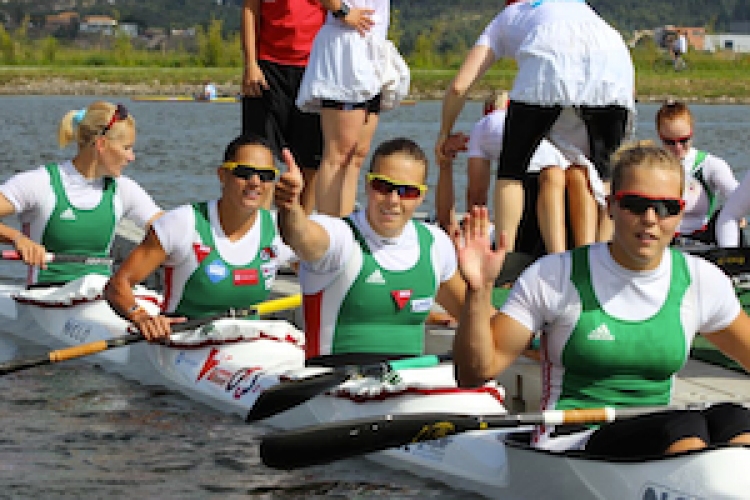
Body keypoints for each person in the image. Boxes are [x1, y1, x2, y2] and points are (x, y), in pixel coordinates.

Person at [453, 142, 750, 457]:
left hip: (659, 433)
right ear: (610, 206)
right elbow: (474, 372)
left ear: (680, 213)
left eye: (666, 208)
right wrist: (479, 289)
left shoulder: (702, 280)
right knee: (683, 428)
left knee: (734, 418)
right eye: (635, 204)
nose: (650, 218)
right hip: (570, 440)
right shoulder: (555, 275)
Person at [436, 0, 634, 252]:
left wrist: (444, 132)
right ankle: (603, 254)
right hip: (615, 62)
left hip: (546, 58)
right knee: (605, 173)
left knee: (512, 171)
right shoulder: (581, 8)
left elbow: (459, 86)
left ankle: (505, 256)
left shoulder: (508, 15)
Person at [275, 137, 466, 364]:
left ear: (421, 197)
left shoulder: (436, 244)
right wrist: (290, 207)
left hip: (406, 384)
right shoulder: (340, 236)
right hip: (335, 385)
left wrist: (483, 283)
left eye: (407, 191)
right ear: (367, 184)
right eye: (383, 187)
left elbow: (474, 315)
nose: (393, 200)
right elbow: (299, 235)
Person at [105, 134, 295, 341]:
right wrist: (141, 317)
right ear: (222, 175)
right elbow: (117, 285)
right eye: (244, 172)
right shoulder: (182, 223)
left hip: (247, 342)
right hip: (184, 340)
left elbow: (323, 274)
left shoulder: (281, 229)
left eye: (266, 175)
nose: (255, 182)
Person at [0, 101, 161, 286]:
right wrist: (17, 238)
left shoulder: (123, 189)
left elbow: (168, 227)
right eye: (126, 148)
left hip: (99, 295)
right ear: (101, 144)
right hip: (47, 296)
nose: (131, 157)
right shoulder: (39, 183)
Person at [438, 92, 599, 254]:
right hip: (570, 180)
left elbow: (477, 193)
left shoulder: (483, 125)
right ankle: (583, 254)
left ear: (487, 109)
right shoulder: (538, 119)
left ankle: (514, 254)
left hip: (531, 187)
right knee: (562, 176)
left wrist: (476, 226)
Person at [296, 0, 410, 217]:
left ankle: (344, 225)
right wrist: (343, 11)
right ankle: (329, 230)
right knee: (339, 153)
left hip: (372, 49)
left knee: (357, 154)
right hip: (345, 51)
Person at [241, 0, 326, 214]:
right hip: (268, 67)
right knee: (259, 152)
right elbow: (250, 10)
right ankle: (259, 227)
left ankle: (302, 226)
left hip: (314, 67)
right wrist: (251, 63)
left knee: (310, 159)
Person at [656, 101, 739, 244]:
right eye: (670, 142)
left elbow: (738, 194)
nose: (678, 148)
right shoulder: (651, 165)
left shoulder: (710, 164)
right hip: (663, 238)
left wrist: (738, 211)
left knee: (729, 212)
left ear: (692, 132)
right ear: (660, 136)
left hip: (703, 237)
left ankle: (731, 258)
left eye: (684, 140)